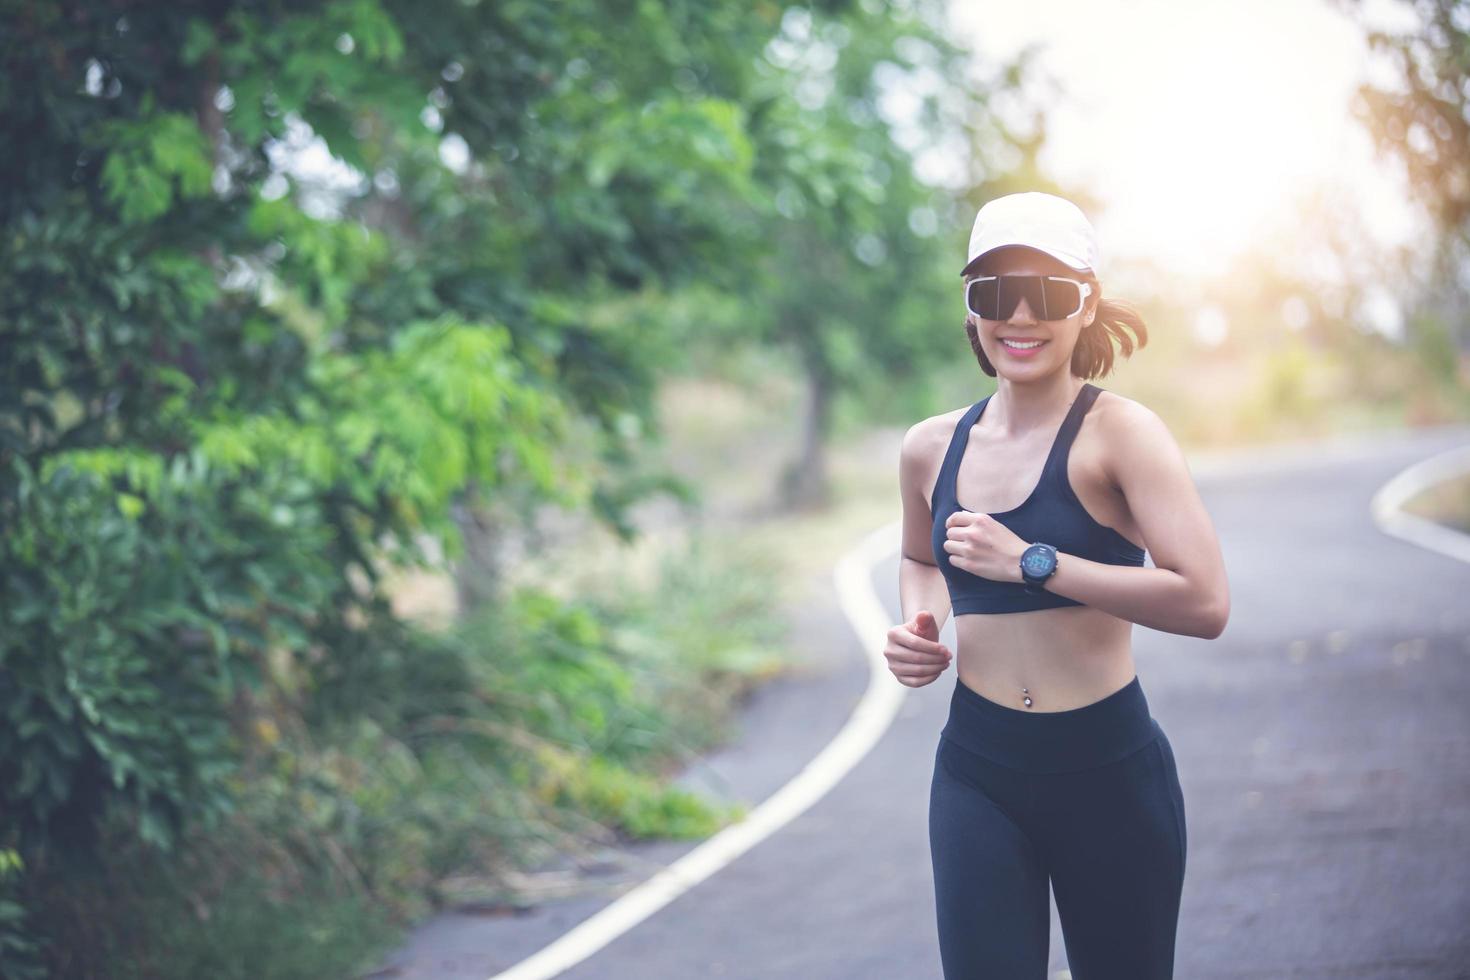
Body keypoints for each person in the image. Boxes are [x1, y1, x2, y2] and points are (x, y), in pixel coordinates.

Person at [888, 191, 1231, 979]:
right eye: (994, 293)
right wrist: (919, 626)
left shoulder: (1123, 435)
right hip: (978, 772)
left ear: (1087, 306)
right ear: (971, 312)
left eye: (1047, 293)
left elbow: (1206, 601)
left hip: (1108, 774)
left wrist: (1034, 563)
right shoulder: (928, 448)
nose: (1020, 315)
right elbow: (920, 559)